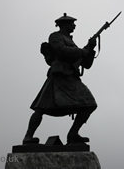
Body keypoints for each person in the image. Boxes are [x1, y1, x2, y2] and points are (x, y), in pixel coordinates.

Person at [23, 13, 98, 144]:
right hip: (58, 76)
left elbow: (86, 64)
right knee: (40, 108)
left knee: (90, 104)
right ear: (64, 25)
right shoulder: (55, 36)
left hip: (71, 78)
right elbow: (62, 50)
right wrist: (83, 51)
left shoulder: (71, 41)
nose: (74, 25)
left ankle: (73, 134)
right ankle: (28, 137)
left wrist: (90, 48)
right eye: (71, 23)